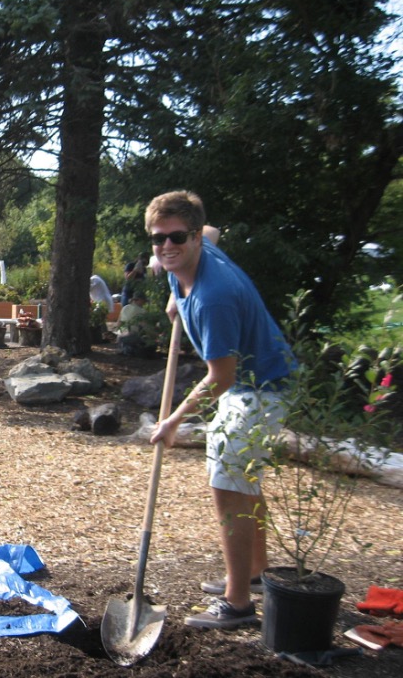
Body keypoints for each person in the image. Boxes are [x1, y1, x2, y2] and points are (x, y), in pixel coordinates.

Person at [145, 191, 295, 630]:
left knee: (228, 483)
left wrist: (173, 421)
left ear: (192, 237)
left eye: (177, 238)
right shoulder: (193, 252)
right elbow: (212, 229)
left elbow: (221, 378)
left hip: (262, 386)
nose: (166, 246)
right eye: (157, 239)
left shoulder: (215, 298)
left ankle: (238, 604)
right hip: (251, 381)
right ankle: (255, 572)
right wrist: (171, 292)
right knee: (240, 478)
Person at [116, 289, 155, 358]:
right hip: (132, 337)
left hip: (121, 337)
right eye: (143, 301)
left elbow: (118, 324)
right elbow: (146, 327)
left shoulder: (125, 308)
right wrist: (155, 336)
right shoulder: (142, 311)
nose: (144, 303)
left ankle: (125, 349)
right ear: (140, 300)